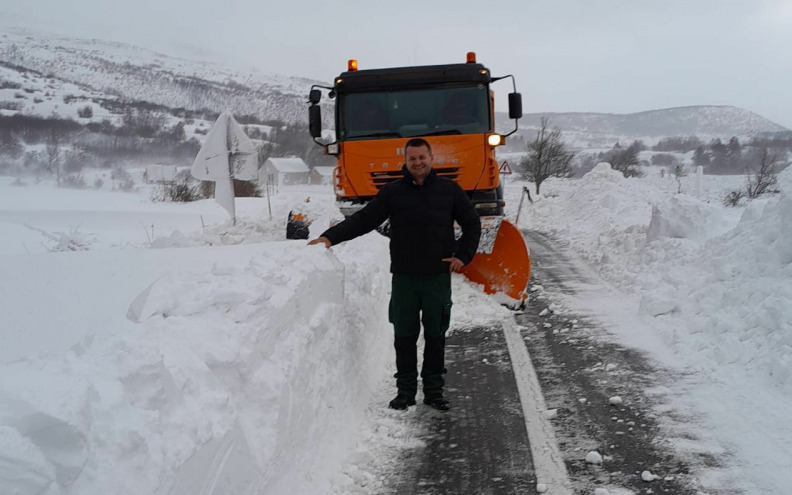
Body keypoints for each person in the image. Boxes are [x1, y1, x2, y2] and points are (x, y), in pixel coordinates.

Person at [308, 138, 481, 411]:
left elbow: (472, 223)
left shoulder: (450, 191)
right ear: (406, 161)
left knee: (435, 335)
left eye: (422, 157)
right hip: (405, 278)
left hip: (437, 277)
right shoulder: (393, 192)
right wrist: (330, 237)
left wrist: (462, 256)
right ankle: (405, 391)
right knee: (404, 335)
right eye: (412, 158)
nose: (418, 162)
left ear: (431, 158)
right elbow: (363, 220)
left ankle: (434, 391)